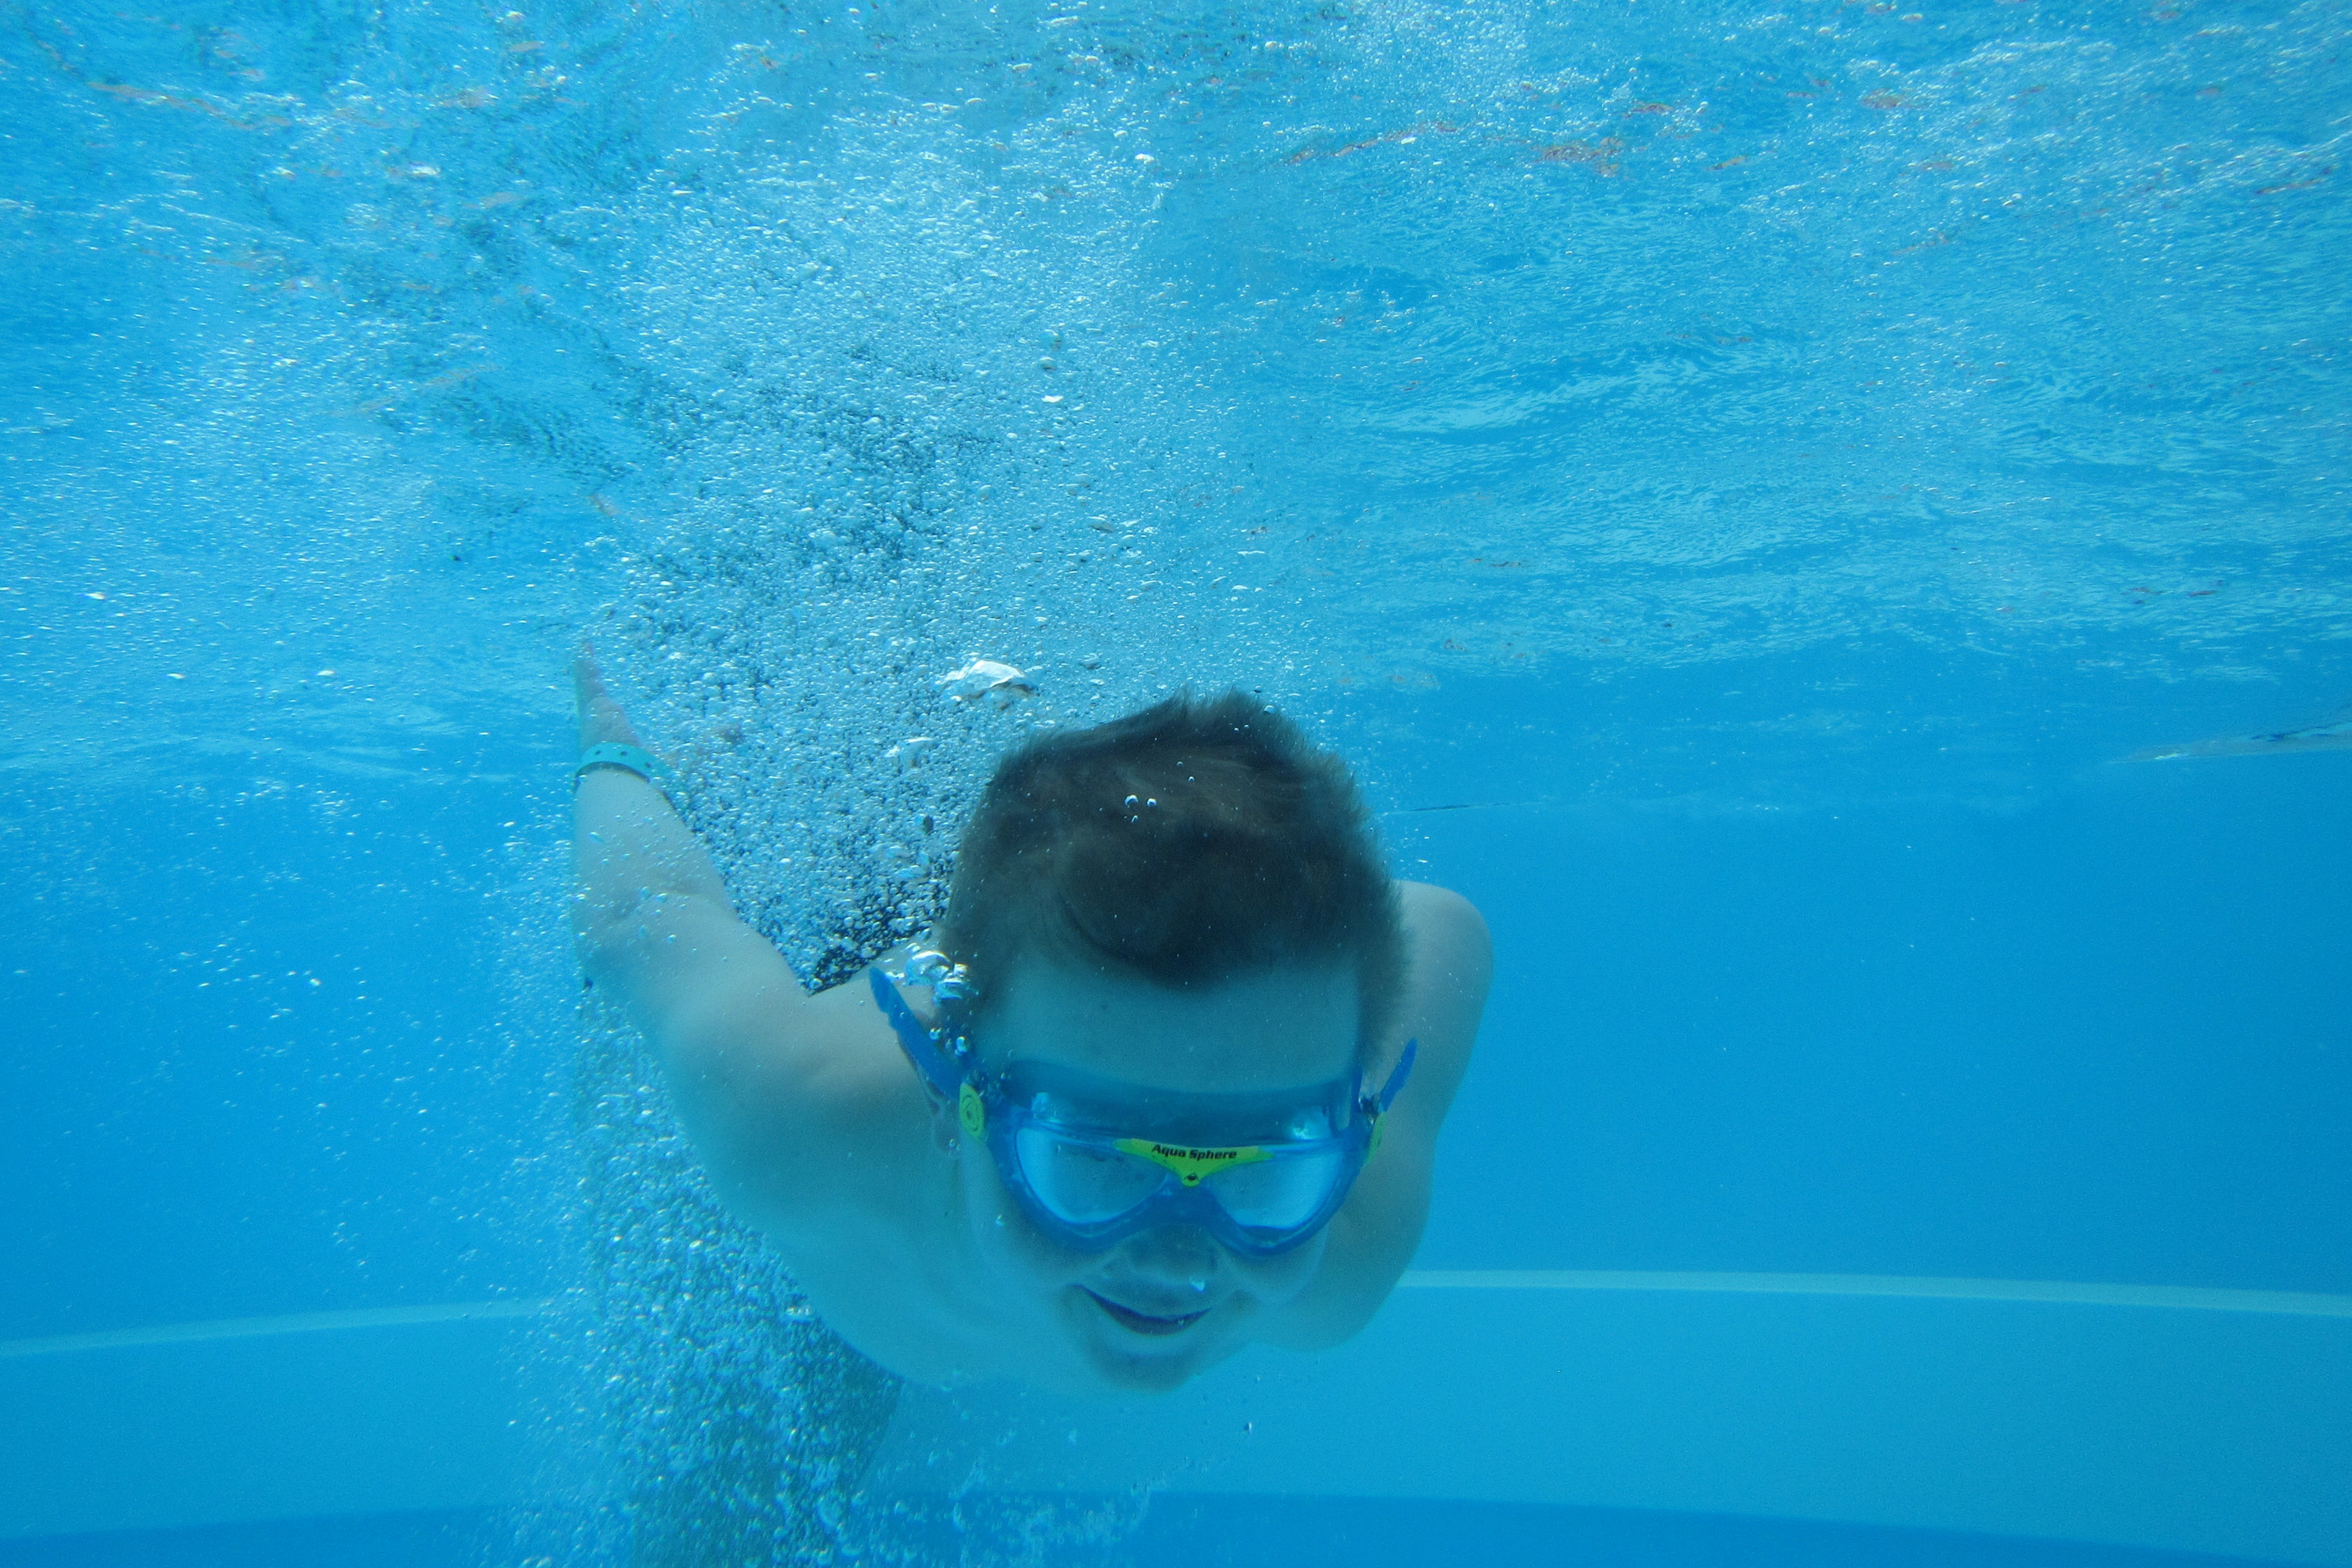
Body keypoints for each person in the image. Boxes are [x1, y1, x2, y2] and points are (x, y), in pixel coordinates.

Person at [572, 647, 1490, 1396]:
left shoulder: (1349, 1250)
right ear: (947, 1095)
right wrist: (620, 752)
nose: (1176, 1262)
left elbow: (1445, 926)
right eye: (1089, 1155)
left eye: (1265, 1167)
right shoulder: (791, 1122)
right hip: (870, 931)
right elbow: (638, 912)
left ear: (1353, 1133)